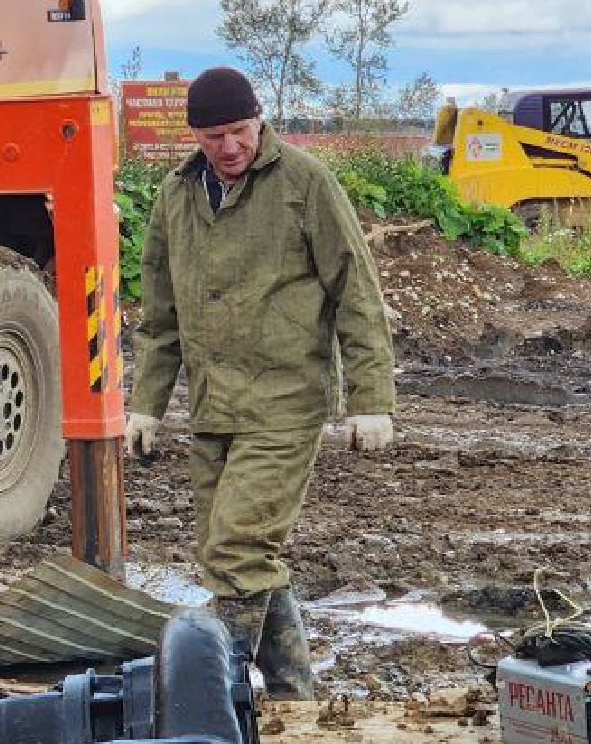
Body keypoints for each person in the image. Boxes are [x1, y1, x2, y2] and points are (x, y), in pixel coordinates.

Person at [125, 66, 397, 700]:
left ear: (259, 119)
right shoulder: (176, 195)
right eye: (214, 136)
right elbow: (161, 316)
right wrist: (146, 405)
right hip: (213, 406)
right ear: (195, 136)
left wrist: (371, 401)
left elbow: (356, 292)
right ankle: (294, 694)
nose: (229, 147)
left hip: (285, 402)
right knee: (233, 556)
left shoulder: (306, 183)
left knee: (237, 549)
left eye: (239, 131)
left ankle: (215, 702)